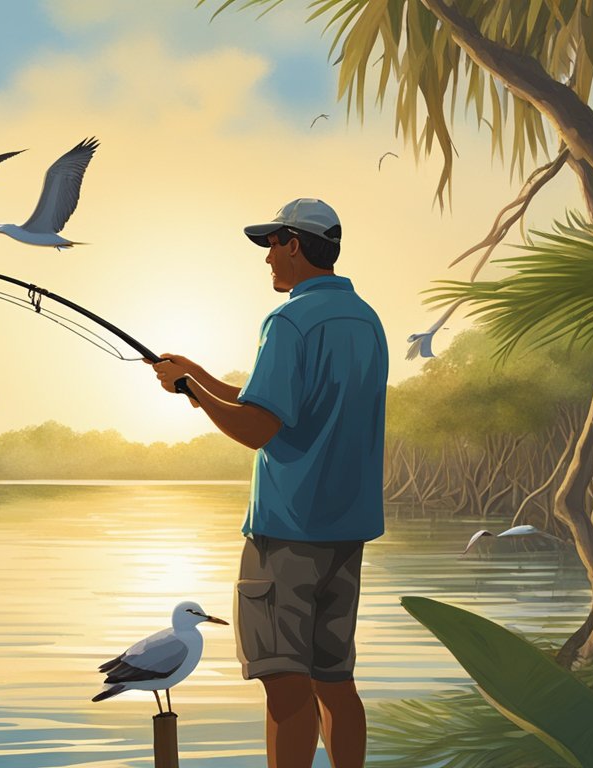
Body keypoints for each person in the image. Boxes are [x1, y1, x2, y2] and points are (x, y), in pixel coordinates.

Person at [150, 198, 386, 768]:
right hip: (344, 535)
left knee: (285, 686)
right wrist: (199, 376)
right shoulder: (364, 319)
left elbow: (257, 427)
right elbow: (280, 402)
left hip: (286, 535)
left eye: (272, 246)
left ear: (295, 245)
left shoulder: (289, 320)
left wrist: (189, 392)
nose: (268, 260)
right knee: (335, 682)